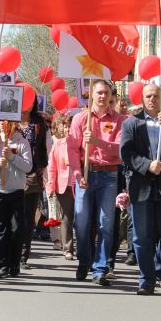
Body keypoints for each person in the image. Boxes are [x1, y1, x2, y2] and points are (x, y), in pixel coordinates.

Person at [120, 84, 161, 295]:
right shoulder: (131, 123)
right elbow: (126, 153)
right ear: (142, 98)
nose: (152, 99)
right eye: (148, 96)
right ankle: (147, 278)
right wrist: (146, 164)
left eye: (156, 96)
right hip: (141, 185)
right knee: (141, 236)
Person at [66, 80, 126, 286]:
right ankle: (84, 261)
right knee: (81, 221)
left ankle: (100, 268)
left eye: (106, 93)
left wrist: (97, 142)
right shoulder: (80, 119)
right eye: (98, 92)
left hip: (108, 175)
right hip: (85, 174)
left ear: (110, 95)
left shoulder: (120, 120)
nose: (102, 96)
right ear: (91, 94)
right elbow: (72, 149)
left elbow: (120, 149)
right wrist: (77, 173)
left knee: (105, 224)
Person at [0, 121, 32, 277]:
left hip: (16, 191)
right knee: (1, 230)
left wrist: (12, 157)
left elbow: (28, 166)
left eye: (9, 124)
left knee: (17, 229)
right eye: (3, 124)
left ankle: (14, 263)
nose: (6, 127)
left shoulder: (23, 143)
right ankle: (2, 265)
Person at [17, 97, 48, 268]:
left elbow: (43, 146)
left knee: (28, 217)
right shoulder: (9, 120)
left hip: (32, 175)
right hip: (12, 173)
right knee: (14, 216)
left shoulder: (38, 122)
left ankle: (23, 254)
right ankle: (11, 251)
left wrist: (42, 167)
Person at [47, 113, 74, 259]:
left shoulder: (81, 143)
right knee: (67, 217)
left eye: (70, 126)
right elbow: (52, 167)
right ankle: (68, 248)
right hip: (63, 185)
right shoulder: (58, 144)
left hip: (79, 184)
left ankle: (84, 247)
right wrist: (51, 186)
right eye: (66, 126)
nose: (68, 129)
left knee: (81, 217)